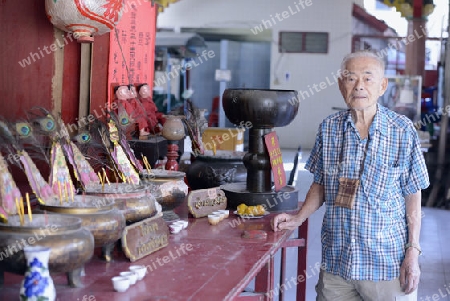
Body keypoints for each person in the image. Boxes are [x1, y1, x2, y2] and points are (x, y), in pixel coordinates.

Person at [272, 50, 429, 301]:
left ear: (382, 86)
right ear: (340, 84)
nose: (359, 86)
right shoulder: (329, 128)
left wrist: (413, 250)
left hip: (385, 265)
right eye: (350, 78)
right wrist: (297, 218)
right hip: (338, 263)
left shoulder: (402, 131)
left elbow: (413, 193)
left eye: (368, 78)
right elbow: (320, 184)